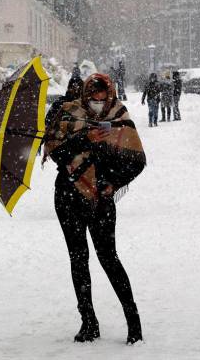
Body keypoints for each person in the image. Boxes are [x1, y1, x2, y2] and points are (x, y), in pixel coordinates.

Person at [43, 73, 145, 345]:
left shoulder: (119, 115)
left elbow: (137, 159)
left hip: (101, 198)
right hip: (67, 196)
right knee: (78, 259)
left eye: (103, 97)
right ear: (85, 94)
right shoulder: (68, 113)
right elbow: (56, 152)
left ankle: (133, 322)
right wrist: (85, 138)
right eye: (93, 97)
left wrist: (114, 182)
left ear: (110, 94)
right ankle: (88, 322)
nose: (98, 102)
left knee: (108, 257)